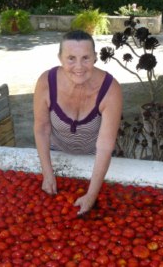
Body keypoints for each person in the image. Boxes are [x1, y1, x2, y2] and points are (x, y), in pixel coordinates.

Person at [33, 30, 123, 215]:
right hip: (57, 156)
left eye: (86, 58)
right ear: (60, 58)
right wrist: (48, 173)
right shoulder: (46, 82)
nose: (79, 66)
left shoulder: (110, 89)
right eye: (71, 58)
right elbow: (42, 128)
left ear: (96, 58)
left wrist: (91, 194)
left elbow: (105, 146)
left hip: (96, 161)